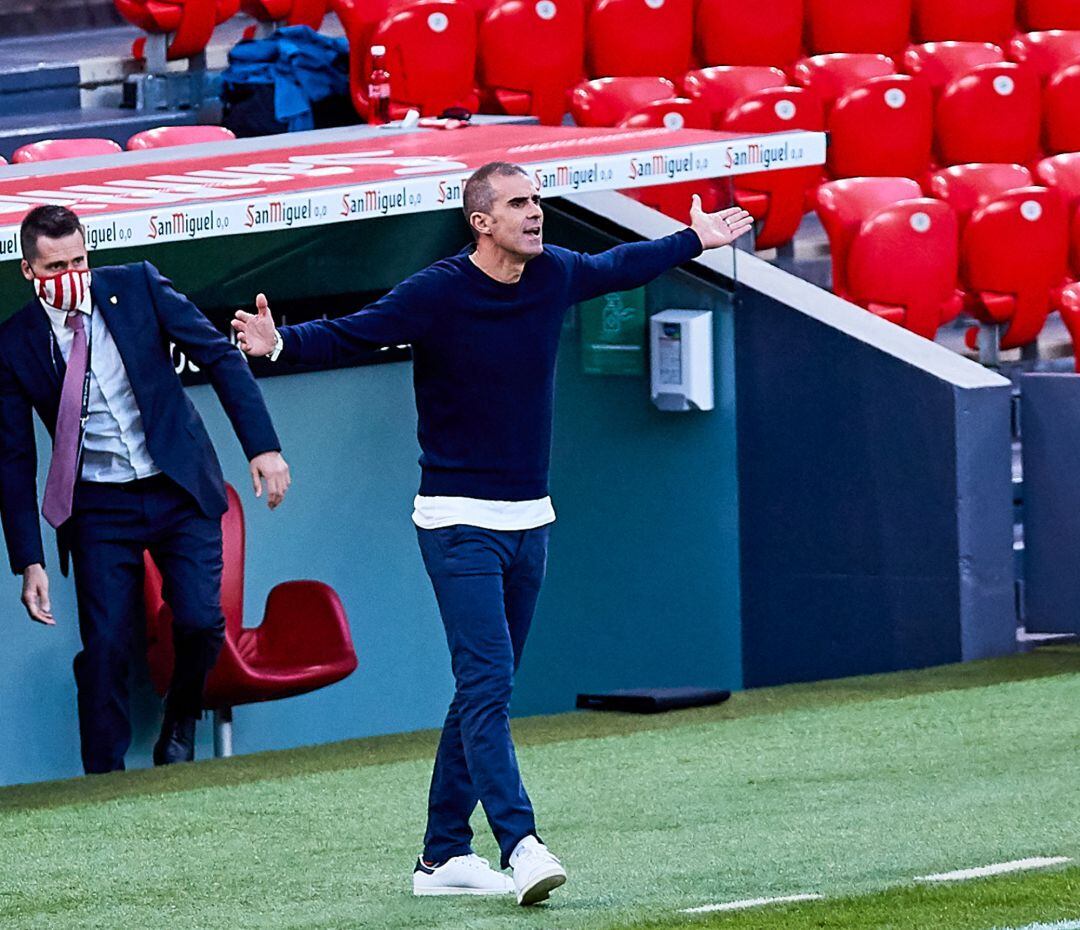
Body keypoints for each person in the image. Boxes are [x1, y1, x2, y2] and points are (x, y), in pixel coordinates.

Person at [232, 162, 753, 905]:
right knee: (487, 684)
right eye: (518, 204)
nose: (535, 213)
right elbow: (355, 333)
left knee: (482, 689)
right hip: (456, 523)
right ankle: (522, 844)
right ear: (482, 222)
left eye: (537, 200)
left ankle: (442, 857)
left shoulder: (555, 274)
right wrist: (278, 344)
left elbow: (618, 265)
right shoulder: (439, 290)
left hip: (530, 521)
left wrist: (690, 240)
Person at [0, 205, 291, 776]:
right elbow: (13, 457)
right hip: (99, 505)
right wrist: (28, 561)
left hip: (177, 487)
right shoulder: (15, 343)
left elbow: (216, 356)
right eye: (56, 265)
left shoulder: (135, 286)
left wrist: (263, 447)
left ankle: (180, 721)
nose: (72, 274)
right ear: (29, 272)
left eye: (80, 259)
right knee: (107, 647)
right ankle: (103, 777)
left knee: (201, 622)